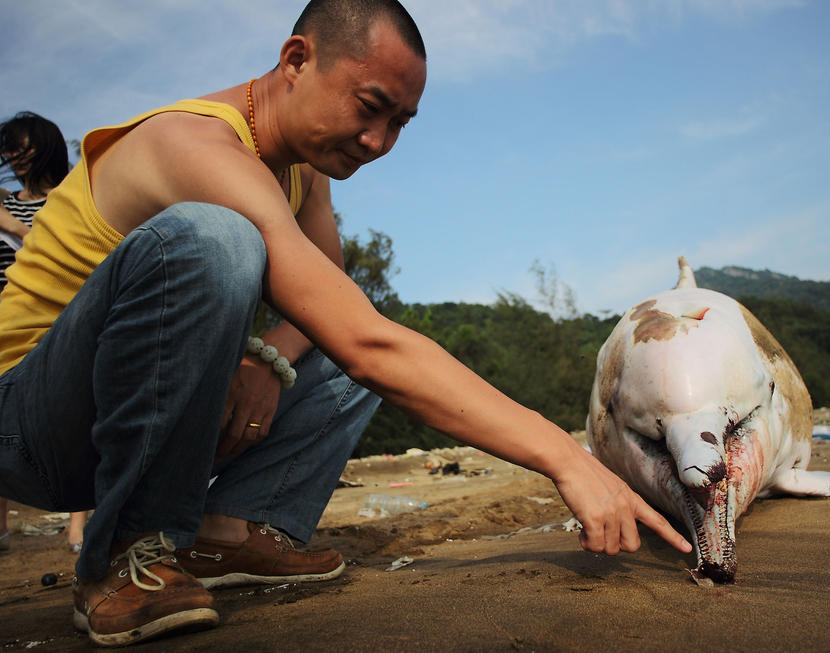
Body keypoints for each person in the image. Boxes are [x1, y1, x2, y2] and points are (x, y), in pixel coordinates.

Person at [0, 0, 690, 647]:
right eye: (370, 108)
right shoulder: (192, 144)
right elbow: (366, 345)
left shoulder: (304, 172)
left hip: (136, 416)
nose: (378, 141)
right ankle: (126, 549)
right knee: (220, 243)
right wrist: (564, 455)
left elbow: (340, 311)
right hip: (30, 426)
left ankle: (230, 528)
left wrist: (267, 363)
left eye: (399, 123)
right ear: (297, 60)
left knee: (338, 328)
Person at [0, 111, 87, 554]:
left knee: (76, 410)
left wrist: (9, 223)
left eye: (24, 148)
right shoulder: (4, 197)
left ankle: (79, 524)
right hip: (5, 314)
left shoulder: (72, 196)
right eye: (10, 150)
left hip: (58, 316)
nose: (16, 157)